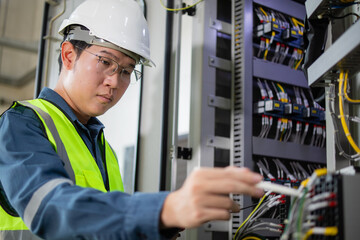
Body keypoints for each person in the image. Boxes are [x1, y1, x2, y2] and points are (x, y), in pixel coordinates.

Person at [0, 0, 264, 239]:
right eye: (106, 62)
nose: (114, 82)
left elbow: (97, 229)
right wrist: (162, 209)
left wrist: (159, 227)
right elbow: (49, 209)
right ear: (69, 55)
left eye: (127, 71)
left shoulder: (104, 150)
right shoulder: (21, 123)